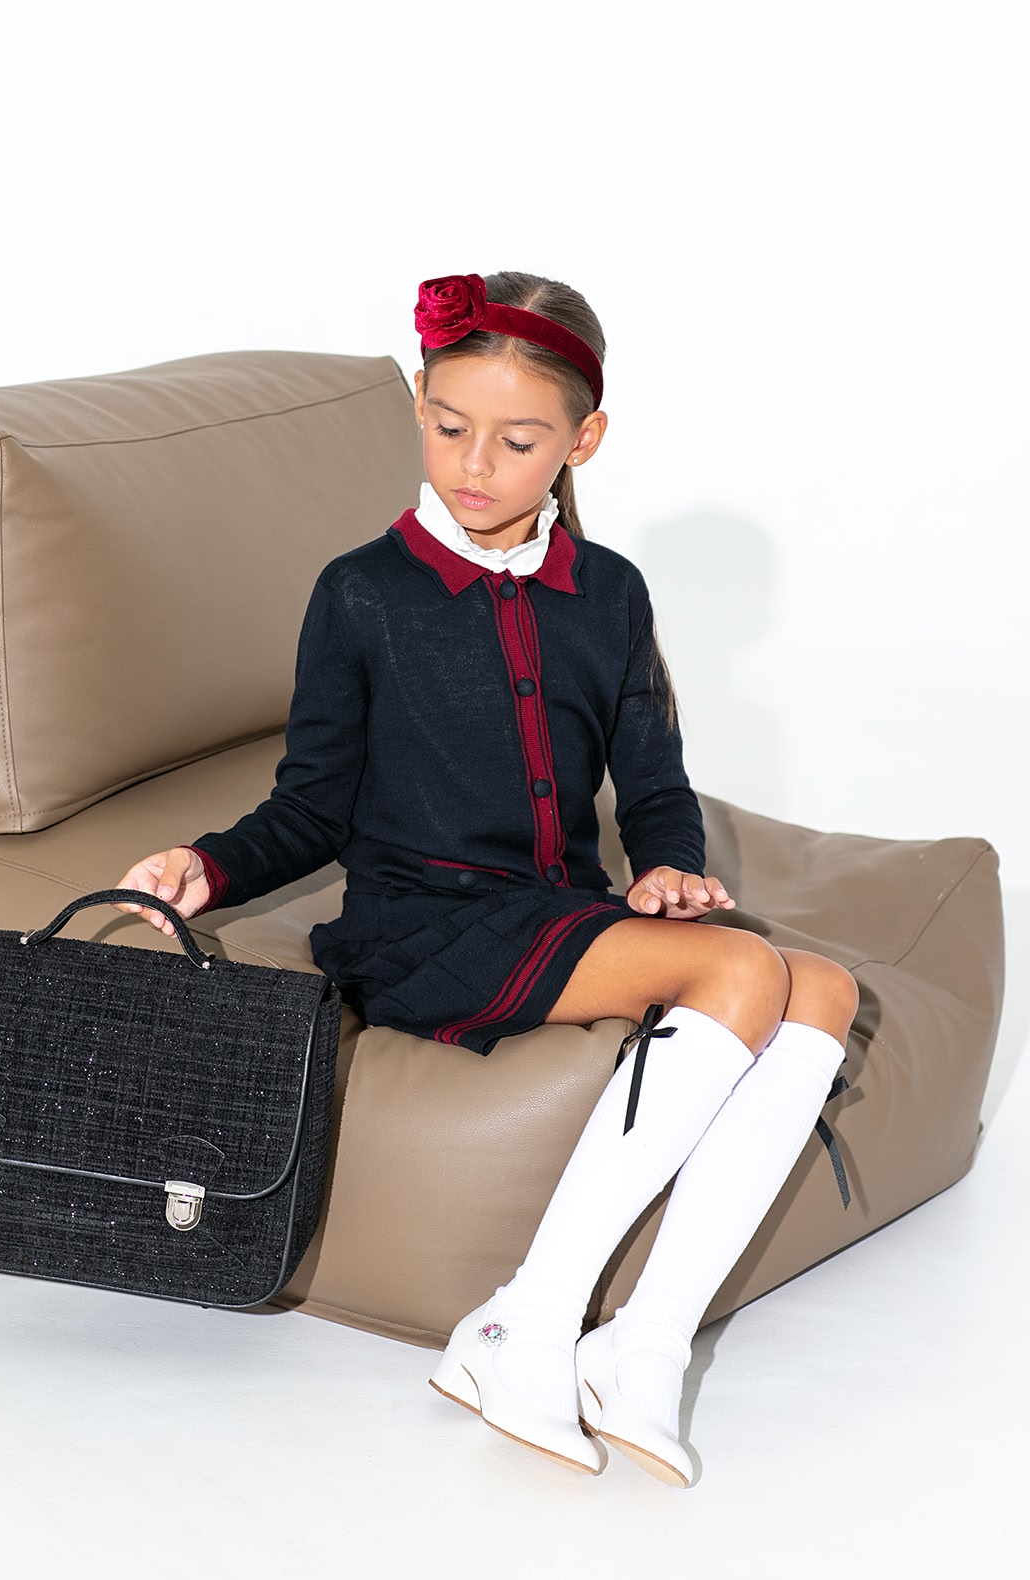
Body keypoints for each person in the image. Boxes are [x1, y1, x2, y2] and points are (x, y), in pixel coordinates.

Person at [113, 270, 859, 1484]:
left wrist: (669, 868)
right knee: (742, 973)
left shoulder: (609, 593)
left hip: (556, 912)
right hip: (418, 932)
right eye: (450, 426)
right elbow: (312, 804)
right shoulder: (361, 591)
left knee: (821, 988)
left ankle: (645, 1345)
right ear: (419, 405)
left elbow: (654, 785)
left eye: (517, 442)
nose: (475, 464)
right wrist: (207, 863)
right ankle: (526, 1322)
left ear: (582, 441)